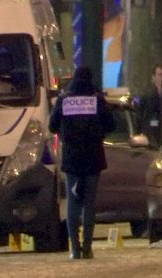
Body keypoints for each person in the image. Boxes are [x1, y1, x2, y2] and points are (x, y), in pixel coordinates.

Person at [49, 66, 115, 259]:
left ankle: (75, 248)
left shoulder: (64, 100)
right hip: (93, 157)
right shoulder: (97, 100)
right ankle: (87, 247)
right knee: (89, 203)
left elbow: (52, 126)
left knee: (73, 203)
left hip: (71, 158)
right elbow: (111, 124)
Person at [139, 63, 162, 146]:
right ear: (153, 77)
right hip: (153, 141)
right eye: (160, 75)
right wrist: (158, 123)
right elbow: (144, 121)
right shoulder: (147, 98)